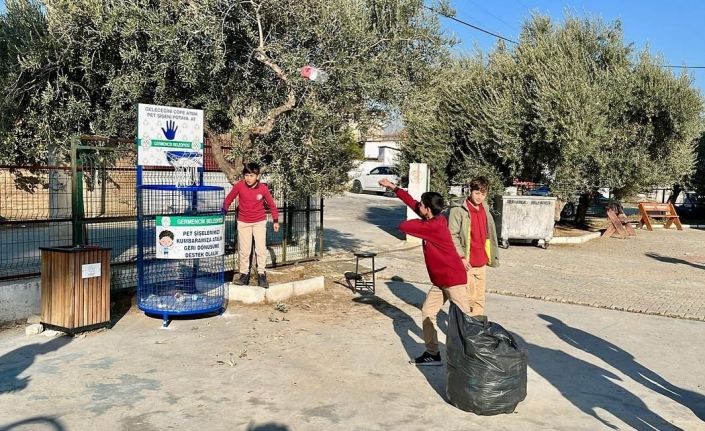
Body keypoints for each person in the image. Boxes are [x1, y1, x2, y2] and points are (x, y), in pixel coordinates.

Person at [378, 178, 470, 366]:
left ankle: (472, 355)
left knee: (465, 319)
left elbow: (404, 226)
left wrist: (416, 217)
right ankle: (432, 353)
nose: (417, 206)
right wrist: (393, 187)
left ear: (428, 209)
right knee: (428, 311)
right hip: (440, 281)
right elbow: (412, 203)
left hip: (453, 279)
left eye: (421, 205)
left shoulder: (433, 227)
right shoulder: (432, 219)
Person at [448, 176, 499, 316]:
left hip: (481, 262)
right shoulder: (458, 210)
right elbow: (452, 235)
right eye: (477, 193)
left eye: (483, 194)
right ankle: (465, 330)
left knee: (480, 299)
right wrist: (461, 257)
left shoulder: (485, 207)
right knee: (468, 300)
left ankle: (477, 331)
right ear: (470, 191)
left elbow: (489, 233)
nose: (479, 197)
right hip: (466, 263)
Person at [223, 163, 280, 288]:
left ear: (257, 176)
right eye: (246, 175)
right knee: (244, 251)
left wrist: (275, 220)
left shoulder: (263, 189)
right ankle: (244, 275)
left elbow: (271, 205)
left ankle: (261, 275)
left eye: (251, 175)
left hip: (259, 222)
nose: (248, 178)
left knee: (260, 249)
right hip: (243, 223)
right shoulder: (239, 186)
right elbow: (229, 199)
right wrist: (224, 211)